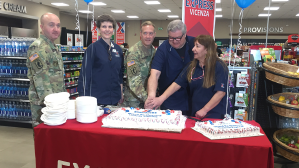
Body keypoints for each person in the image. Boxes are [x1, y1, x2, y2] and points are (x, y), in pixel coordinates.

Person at [148, 35, 229, 119]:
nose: (193, 49)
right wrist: (160, 99)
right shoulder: (192, 66)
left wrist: (204, 110)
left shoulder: (219, 66)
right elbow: (177, 84)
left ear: (207, 50)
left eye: (197, 46)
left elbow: (221, 92)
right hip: (196, 113)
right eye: (194, 46)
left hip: (215, 115)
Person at [145, 20, 194, 115]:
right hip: (169, 99)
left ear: (184, 35)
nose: (175, 41)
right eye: (171, 38)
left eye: (178, 38)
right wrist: (151, 97)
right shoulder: (163, 48)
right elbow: (154, 74)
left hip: (193, 98)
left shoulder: (194, 44)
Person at [26, 13, 66, 127]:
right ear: (42, 27)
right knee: (44, 138)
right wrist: (51, 106)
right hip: (44, 105)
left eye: (58, 26)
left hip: (56, 104)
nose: (56, 29)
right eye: (51, 25)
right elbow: (41, 79)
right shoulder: (37, 47)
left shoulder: (53, 47)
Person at [78, 15, 124, 106]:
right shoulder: (92, 48)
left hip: (114, 97)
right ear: (99, 29)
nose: (107, 29)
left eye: (110, 27)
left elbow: (120, 74)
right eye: (104, 26)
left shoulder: (118, 49)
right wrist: (83, 97)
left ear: (113, 29)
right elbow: (85, 76)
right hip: (96, 99)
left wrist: (121, 92)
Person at [123, 21, 156, 108]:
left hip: (149, 98)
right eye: (145, 33)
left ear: (154, 34)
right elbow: (134, 80)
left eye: (150, 33)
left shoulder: (155, 52)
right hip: (134, 101)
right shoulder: (133, 52)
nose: (148, 36)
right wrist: (148, 100)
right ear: (140, 34)